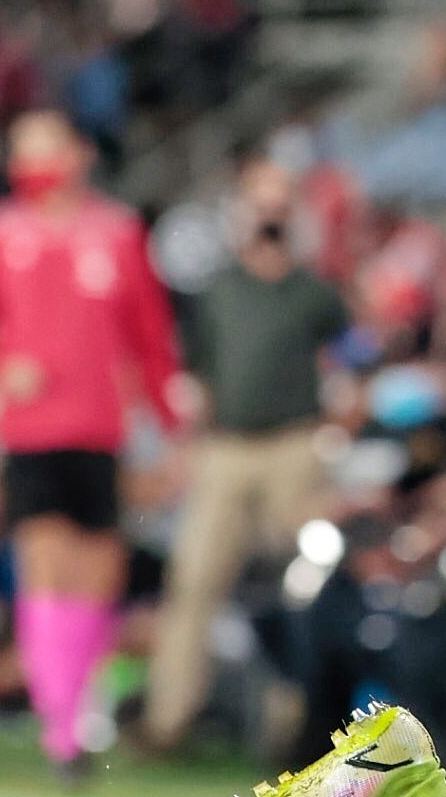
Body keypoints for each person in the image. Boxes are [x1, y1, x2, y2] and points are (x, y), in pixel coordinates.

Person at [0, 110, 183, 779]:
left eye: (45, 145)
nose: (33, 160)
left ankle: (77, 707)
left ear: (79, 151)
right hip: (31, 432)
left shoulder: (117, 232)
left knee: (98, 577)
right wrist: (2, 366)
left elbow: (151, 341)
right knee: (46, 567)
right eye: (22, 147)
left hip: (100, 431)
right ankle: (62, 731)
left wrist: (169, 431)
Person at [143, 157, 349, 749]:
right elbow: (200, 376)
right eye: (261, 201)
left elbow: (348, 361)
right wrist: (185, 449)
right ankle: (169, 720)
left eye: (280, 201)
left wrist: (332, 431)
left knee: (301, 587)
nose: (270, 214)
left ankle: (298, 719)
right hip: (226, 447)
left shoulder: (313, 291)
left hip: (293, 445)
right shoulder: (219, 289)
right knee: (194, 581)